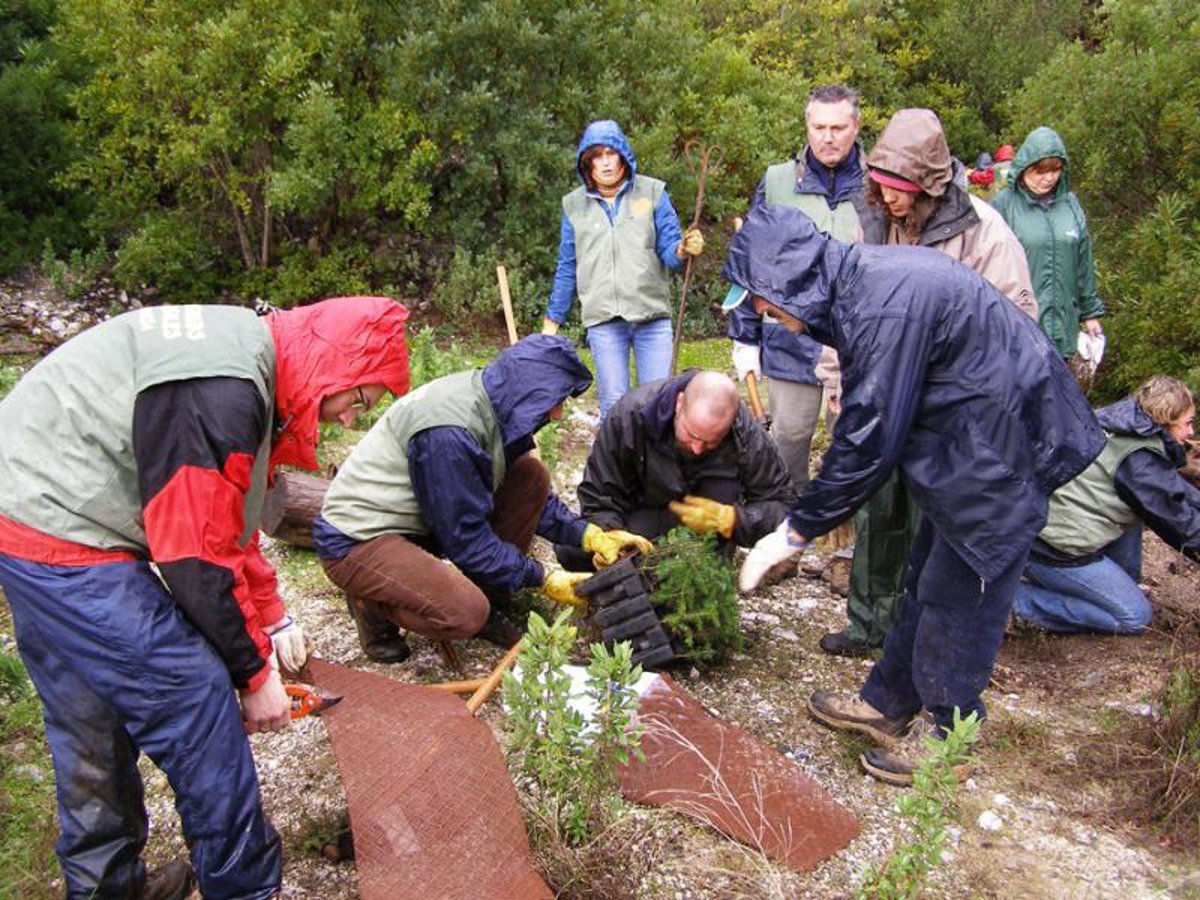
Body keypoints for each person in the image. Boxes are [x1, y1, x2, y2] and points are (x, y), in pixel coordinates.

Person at [0, 296, 412, 899]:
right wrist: (252, 675)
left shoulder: (245, 359)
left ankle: (109, 889)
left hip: (24, 505)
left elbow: (223, 519)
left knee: (91, 710)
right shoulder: (224, 393)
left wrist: (272, 618)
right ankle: (245, 889)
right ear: (336, 365)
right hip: (62, 527)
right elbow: (194, 558)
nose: (350, 420)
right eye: (359, 400)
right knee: (195, 695)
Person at [727, 204, 1103, 785]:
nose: (759, 311)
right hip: (970, 437)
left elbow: (870, 437)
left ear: (791, 278)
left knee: (963, 593)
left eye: (761, 298)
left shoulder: (881, 305)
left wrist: (796, 530)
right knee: (925, 576)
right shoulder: (858, 288)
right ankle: (888, 701)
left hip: (1003, 444)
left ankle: (950, 736)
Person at [820, 107, 1040, 659]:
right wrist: (835, 381)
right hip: (879, 397)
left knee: (931, 527)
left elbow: (1016, 322)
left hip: (947, 410)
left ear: (929, 184)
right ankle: (868, 625)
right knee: (878, 513)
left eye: (901, 187)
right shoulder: (871, 223)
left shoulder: (984, 231)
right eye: (882, 183)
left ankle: (915, 639)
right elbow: (845, 308)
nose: (889, 197)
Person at [315, 335, 652, 659]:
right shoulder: (450, 434)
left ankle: (491, 590)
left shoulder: (496, 403)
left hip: (420, 518)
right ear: (531, 392)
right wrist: (542, 578)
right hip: (358, 539)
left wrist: (588, 535)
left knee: (530, 476)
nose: (558, 414)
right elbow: (465, 538)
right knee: (466, 614)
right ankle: (372, 599)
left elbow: (517, 502)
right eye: (556, 401)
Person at [728, 84, 866, 490]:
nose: (828, 137)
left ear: (856, 127)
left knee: (854, 442)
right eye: (819, 127)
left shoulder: (877, 185)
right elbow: (749, 263)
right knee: (787, 439)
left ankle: (848, 525)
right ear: (807, 127)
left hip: (857, 342)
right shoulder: (777, 182)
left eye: (838, 128)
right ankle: (787, 522)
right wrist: (745, 338)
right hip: (789, 341)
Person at [541, 119, 704, 419]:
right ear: (587, 163)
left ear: (623, 156)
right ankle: (618, 452)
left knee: (659, 402)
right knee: (615, 409)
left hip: (651, 317)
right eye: (597, 156)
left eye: (610, 153)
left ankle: (656, 452)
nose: (605, 163)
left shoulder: (652, 192)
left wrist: (683, 248)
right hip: (604, 320)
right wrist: (553, 320)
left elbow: (670, 253)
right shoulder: (574, 206)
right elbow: (567, 266)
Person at [1013, 376, 1199, 634]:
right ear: (1166, 419)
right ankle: (1014, 604)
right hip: (1051, 550)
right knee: (1134, 617)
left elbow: (1174, 493)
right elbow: (1183, 525)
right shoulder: (1139, 462)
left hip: (1039, 523)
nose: (1191, 432)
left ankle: (1110, 587)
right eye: (1188, 423)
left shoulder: (1119, 424)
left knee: (1135, 508)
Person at [564, 370, 796, 565]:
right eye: (692, 434)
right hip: (641, 524)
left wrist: (732, 520)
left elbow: (783, 506)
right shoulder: (630, 416)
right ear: (679, 403)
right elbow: (599, 497)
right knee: (571, 549)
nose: (697, 448)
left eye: (711, 441)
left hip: (708, 539)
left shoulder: (743, 431)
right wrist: (612, 536)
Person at [992, 126, 1105, 363]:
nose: (1049, 178)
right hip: (1018, 329)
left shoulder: (1070, 204)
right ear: (1025, 168)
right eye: (1041, 171)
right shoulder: (1003, 205)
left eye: (1055, 170)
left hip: (1064, 327)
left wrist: (1090, 313)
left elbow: (1083, 262)